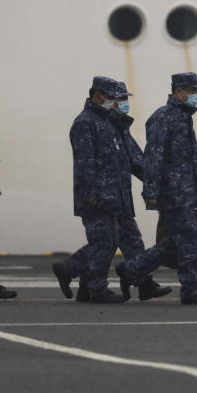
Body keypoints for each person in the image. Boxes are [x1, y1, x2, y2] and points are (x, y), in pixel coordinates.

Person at [115, 73, 197, 305]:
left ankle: (131, 270)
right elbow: (153, 157)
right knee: (191, 241)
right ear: (179, 92)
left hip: (183, 192)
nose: (195, 96)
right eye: (192, 91)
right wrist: (150, 191)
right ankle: (190, 290)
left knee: (172, 244)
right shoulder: (164, 118)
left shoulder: (182, 117)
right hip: (172, 193)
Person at [51, 76, 133, 304]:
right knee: (104, 241)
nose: (117, 102)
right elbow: (85, 163)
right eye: (112, 97)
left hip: (109, 194)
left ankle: (80, 280)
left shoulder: (105, 121)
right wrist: (91, 195)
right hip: (95, 195)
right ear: (98, 96)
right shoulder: (86, 123)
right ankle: (97, 288)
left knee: (107, 240)